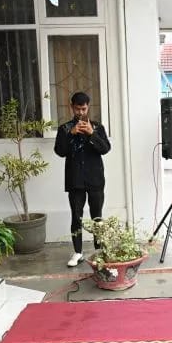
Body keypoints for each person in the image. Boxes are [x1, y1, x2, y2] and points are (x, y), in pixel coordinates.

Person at [54, 91, 112, 267]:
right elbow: (60, 151)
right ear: (72, 107)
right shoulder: (64, 129)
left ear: (88, 107)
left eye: (84, 108)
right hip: (75, 179)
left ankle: (99, 251)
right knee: (76, 216)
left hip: (95, 179)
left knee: (97, 217)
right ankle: (78, 252)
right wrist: (71, 133)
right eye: (77, 109)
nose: (80, 112)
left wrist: (92, 134)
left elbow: (106, 149)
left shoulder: (97, 127)